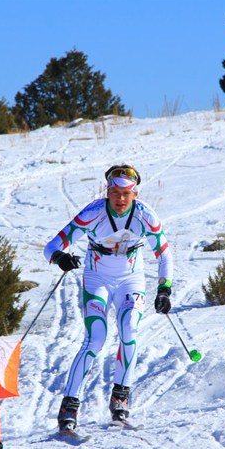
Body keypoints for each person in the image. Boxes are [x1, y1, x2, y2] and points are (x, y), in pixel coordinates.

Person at [43, 164, 173, 433]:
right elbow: (51, 246)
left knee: (129, 329)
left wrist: (164, 289)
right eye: (115, 192)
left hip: (131, 280)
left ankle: (120, 400)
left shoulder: (145, 215)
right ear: (107, 191)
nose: (120, 199)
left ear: (135, 194)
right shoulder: (93, 213)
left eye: (126, 193)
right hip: (97, 280)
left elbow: (164, 254)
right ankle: (69, 408)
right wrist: (60, 257)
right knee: (96, 338)